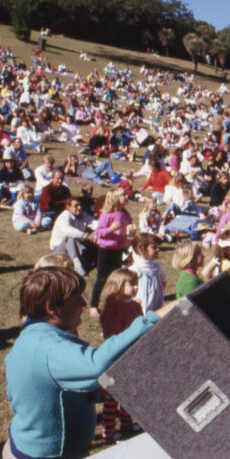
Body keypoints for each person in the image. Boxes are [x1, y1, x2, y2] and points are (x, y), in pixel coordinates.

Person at [3, 267, 162, 459]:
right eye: (77, 299)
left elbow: (40, 387)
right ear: (52, 308)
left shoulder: (31, 337)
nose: (84, 304)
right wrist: (148, 322)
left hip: (32, 451)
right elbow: (95, 365)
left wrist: (92, 394)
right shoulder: (50, 348)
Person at [97, 269, 143, 442]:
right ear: (118, 285)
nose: (136, 287)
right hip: (118, 357)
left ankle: (126, 422)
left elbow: (141, 326)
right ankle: (107, 429)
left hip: (133, 355)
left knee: (129, 392)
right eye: (131, 284)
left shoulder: (135, 305)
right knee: (113, 395)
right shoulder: (113, 309)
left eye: (136, 283)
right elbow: (112, 337)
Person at [90, 188, 132, 318]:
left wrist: (130, 235)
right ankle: (93, 305)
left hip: (119, 249)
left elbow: (128, 229)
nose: (126, 196)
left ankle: (113, 302)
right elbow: (99, 232)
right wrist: (111, 229)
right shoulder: (107, 215)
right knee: (102, 277)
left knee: (116, 277)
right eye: (123, 195)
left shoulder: (125, 214)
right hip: (106, 250)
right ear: (115, 199)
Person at [49, 199, 97, 276]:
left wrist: (100, 232)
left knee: (97, 233)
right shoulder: (63, 217)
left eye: (80, 205)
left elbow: (95, 223)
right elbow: (69, 231)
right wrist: (86, 236)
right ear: (68, 207)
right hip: (59, 249)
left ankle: (96, 260)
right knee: (70, 237)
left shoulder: (83, 214)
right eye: (76, 206)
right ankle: (78, 266)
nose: (79, 207)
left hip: (76, 244)